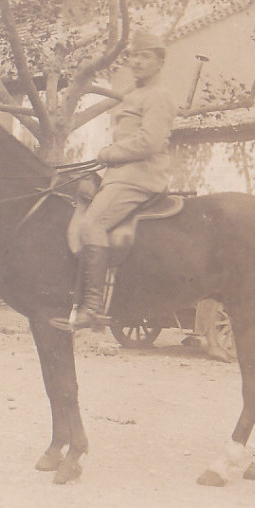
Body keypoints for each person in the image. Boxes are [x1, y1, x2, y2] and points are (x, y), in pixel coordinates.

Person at [51, 31, 176, 332]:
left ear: (160, 61)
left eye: (144, 56)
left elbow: (149, 141)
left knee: (91, 224)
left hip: (141, 175)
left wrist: (109, 153)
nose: (136, 62)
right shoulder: (133, 96)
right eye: (133, 56)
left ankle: (92, 309)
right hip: (120, 173)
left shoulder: (160, 96)